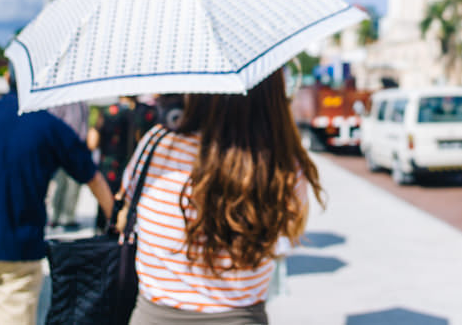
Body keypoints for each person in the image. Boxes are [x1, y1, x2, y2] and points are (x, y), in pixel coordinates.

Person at [120, 69, 322, 324]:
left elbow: (125, 216)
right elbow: (285, 238)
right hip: (241, 316)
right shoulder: (282, 168)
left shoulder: (157, 146)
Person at [0, 72, 115, 325]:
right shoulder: (51, 126)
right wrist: (114, 220)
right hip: (19, 249)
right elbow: (93, 177)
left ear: (8, 77)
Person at [87, 97, 137, 231]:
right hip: (132, 168)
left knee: (105, 211)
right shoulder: (143, 112)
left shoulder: (107, 112)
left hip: (109, 166)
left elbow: (92, 142)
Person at [47, 101, 90, 229]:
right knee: (59, 183)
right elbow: (54, 121)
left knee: (74, 184)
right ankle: (54, 216)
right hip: (62, 146)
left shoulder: (83, 103)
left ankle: (68, 217)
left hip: (78, 147)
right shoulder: (61, 102)